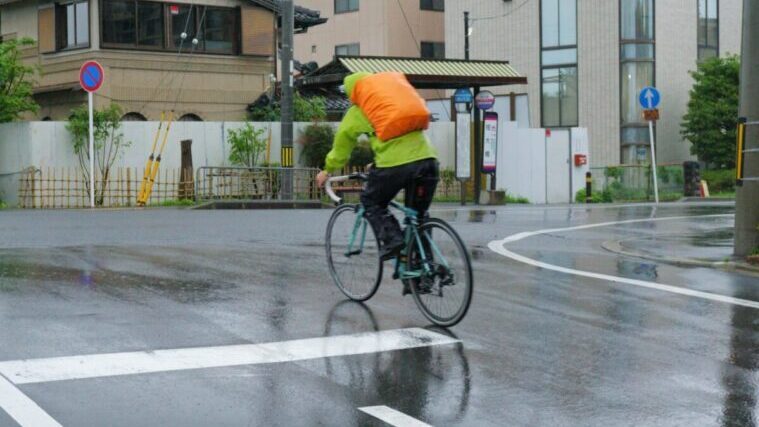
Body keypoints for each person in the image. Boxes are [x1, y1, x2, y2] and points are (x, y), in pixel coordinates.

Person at [316, 72, 439, 261]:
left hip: (396, 165)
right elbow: (401, 141)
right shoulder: (393, 102)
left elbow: (342, 147)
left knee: (371, 201)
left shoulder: (359, 110)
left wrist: (327, 170)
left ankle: (392, 240)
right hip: (428, 160)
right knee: (418, 218)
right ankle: (424, 271)